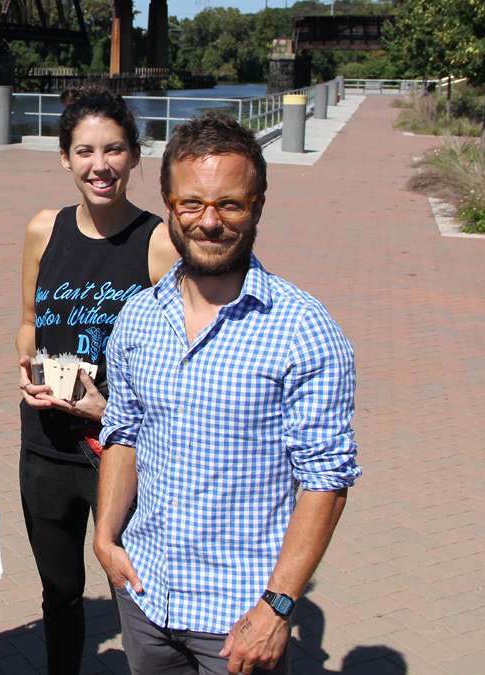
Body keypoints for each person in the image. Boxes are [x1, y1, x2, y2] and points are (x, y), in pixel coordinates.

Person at [93, 112, 362, 675]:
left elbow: (326, 479)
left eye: (229, 205)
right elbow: (123, 430)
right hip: (145, 596)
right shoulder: (140, 316)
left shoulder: (302, 328)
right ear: (168, 205)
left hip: (239, 616)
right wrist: (106, 536)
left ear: (258, 205)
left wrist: (279, 605)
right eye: (191, 204)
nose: (208, 222)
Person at [15, 89, 176, 674]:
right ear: (64, 158)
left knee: (133, 591)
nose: (98, 165)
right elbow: (30, 323)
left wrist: (105, 408)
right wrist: (27, 369)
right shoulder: (43, 228)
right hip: (45, 446)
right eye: (84, 151)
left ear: (135, 156)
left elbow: (181, 366)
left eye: (113, 150)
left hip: (121, 450)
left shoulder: (158, 241)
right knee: (59, 591)